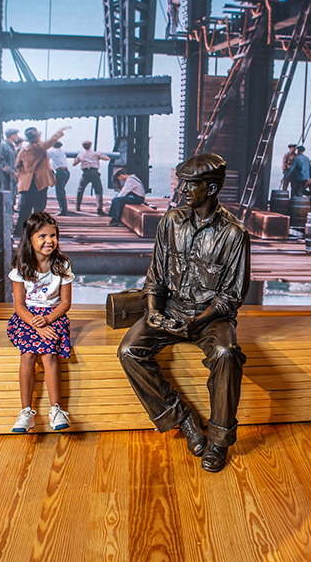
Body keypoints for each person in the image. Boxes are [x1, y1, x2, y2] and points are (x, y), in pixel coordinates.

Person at [117, 153, 251, 473]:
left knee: (226, 353)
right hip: (171, 308)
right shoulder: (170, 222)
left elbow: (230, 297)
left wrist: (199, 322)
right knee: (128, 351)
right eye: (182, 183)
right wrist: (152, 312)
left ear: (212, 189)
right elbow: (156, 277)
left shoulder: (234, 234)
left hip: (211, 316)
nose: (183, 190)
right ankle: (183, 419)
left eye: (191, 185)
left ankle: (219, 440)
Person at [8, 212, 74, 433]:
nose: (49, 240)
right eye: (43, 235)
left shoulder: (62, 264)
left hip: (53, 315)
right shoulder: (22, 265)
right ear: (30, 239)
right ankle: (26, 411)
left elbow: (65, 303)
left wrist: (47, 320)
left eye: (53, 235)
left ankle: (56, 409)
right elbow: (19, 306)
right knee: (27, 353)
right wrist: (37, 324)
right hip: (27, 317)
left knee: (48, 353)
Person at [14, 125, 69, 236]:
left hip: (26, 184)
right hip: (40, 182)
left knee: (24, 209)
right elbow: (51, 140)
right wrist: (61, 130)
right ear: (37, 138)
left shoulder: (23, 151)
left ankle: (19, 231)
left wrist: (25, 176)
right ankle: (37, 231)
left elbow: (17, 166)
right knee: (39, 209)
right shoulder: (40, 147)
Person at [73, 140, 110, 215]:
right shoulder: (96, 153)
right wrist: (99, 157)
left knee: (80, 189)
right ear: (90, 145)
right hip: (94, 173)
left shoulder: (81, 154)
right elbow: (107, 158)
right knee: (99, 191)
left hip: (85, 173)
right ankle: (99, 209)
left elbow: (74, 163)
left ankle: (77, 206)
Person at [47, 140, 71, 216]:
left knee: (59, 192)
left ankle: (63, 210)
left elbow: (45, 158)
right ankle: (64, 208)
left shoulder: (51, 152)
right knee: (62, 191)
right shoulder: (62, 152)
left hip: (60, 172)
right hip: (66, 172)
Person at [0, 128, 21, 192]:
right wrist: (12, 172)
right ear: (12, 135)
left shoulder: (11, 147)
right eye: (16, 134)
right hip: (5, 178)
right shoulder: (3, 146)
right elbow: (1, 162)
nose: (17, 136)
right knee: (6, 197)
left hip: (10, 178)